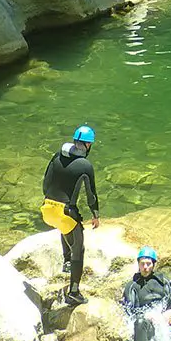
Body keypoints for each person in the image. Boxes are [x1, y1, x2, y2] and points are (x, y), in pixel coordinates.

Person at [41, 124, 100, 306]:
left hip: (46, 208)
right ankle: (74, 292)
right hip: (64, 212)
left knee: (64, 225)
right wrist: (95, 214)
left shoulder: (57, 156)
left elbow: (45, 183)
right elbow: (91, 194)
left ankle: (66, 262)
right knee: (79, 248)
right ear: (88, 145)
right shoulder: (85, 165)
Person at [122, 247, 171, 341]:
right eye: (142, 264)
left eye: (148, 264)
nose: (145, 267)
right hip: (149, 326)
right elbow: (130, 311)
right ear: (138, 264)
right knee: (139, 322)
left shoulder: (164, 282)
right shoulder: (132, 286)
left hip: (165, 322)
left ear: (154, 265)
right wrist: (147, 315)